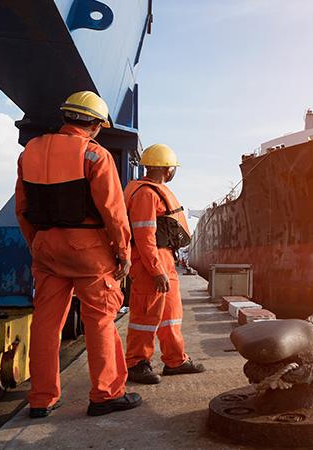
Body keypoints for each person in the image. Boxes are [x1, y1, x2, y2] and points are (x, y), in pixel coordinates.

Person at [15, 91, 142, 417]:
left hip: (46, 248)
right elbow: (113, 211)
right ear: (96, 125)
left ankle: (41, 399)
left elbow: (22, 208)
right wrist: (123, 252)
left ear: (66, 116)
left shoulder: (30, 152)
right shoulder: (95, 155)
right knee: (100, 321)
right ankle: (105, 394)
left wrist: (36, 243)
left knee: (45, 324)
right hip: (89, 252)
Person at [124, 143, 205, 384]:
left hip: (164, 259)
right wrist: (155, 270)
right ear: (168, 169)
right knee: (145, 315)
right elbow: (144, 236)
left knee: (171, 314)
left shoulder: (150, 191)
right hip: (150, 262)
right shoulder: (146, 194)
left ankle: (175, 360)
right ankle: (136, 363)